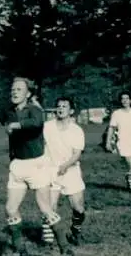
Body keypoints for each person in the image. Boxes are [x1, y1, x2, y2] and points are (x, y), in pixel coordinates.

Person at [2, 78, 73, 255]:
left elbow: (36, 124)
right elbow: (10, 130)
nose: (14, 92)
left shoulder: (34, 110)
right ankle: (20, 249)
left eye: (19, 89)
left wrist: (17, 125)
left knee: (45, 208)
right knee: (10, 209)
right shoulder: (9, 111)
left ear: (28, 94)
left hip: (36, 165)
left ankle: (64, 247)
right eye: (13, 89)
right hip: (17, 165)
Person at [41, 97, 86, 247]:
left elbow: (77, 154)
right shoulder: (47, 126)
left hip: (71, 170)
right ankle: (48, 240)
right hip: (51, 171)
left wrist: (66, 165)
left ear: (71, 111)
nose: (60, 109)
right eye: (58, 106)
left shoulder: (76, 130)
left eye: (64, 106)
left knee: (78, 208)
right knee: (50, 207)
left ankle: (75, 231)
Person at [106, 91, 131, 191]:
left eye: (126, 98)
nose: (124, 100)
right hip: (123, 142)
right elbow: (111, 128)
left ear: (130, 100)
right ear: (120, 101)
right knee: (129, 164)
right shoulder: (117, 113)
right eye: (122, 98)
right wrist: (108, 142)